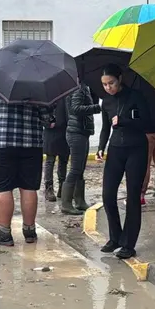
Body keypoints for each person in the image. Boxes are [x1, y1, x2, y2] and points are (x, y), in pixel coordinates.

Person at [0, 85, 56, 246]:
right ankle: (30, 231)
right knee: (29, 187)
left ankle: (4, 233)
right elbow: (48, 117)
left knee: (3, 188)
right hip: (31, 144)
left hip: (2, 142)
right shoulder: (38, 86)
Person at [97, 64, 149, 260]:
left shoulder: (136, 96)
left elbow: (146, 122)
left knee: (133, 196)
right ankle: (115, 237)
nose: (108, 87)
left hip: (136, 149)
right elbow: (105, 128)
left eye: (111, 83)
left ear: (120, 79)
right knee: (108, 194)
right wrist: (101, 147)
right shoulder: (106, 102)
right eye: (104, 85)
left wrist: (125, 120)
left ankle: (129, 243)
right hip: (116, 149)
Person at [60, 82, 100, 215]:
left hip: (81, 131)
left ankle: (79, 200)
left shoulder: (83, 87)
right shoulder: (78, 88)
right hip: (76, 133)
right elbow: (75, 108)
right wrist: (97, 108)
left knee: (80, 168)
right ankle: (66, 203)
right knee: (76, 169)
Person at [42, 97, 69, 202]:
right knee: (50, 160)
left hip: (65, 130)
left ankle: (62, 187)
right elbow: (41, 111)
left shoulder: (68, 93)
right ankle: (49, 188)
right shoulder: (48, 94)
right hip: (51, 131)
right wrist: (47, 123)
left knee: (63, 160)